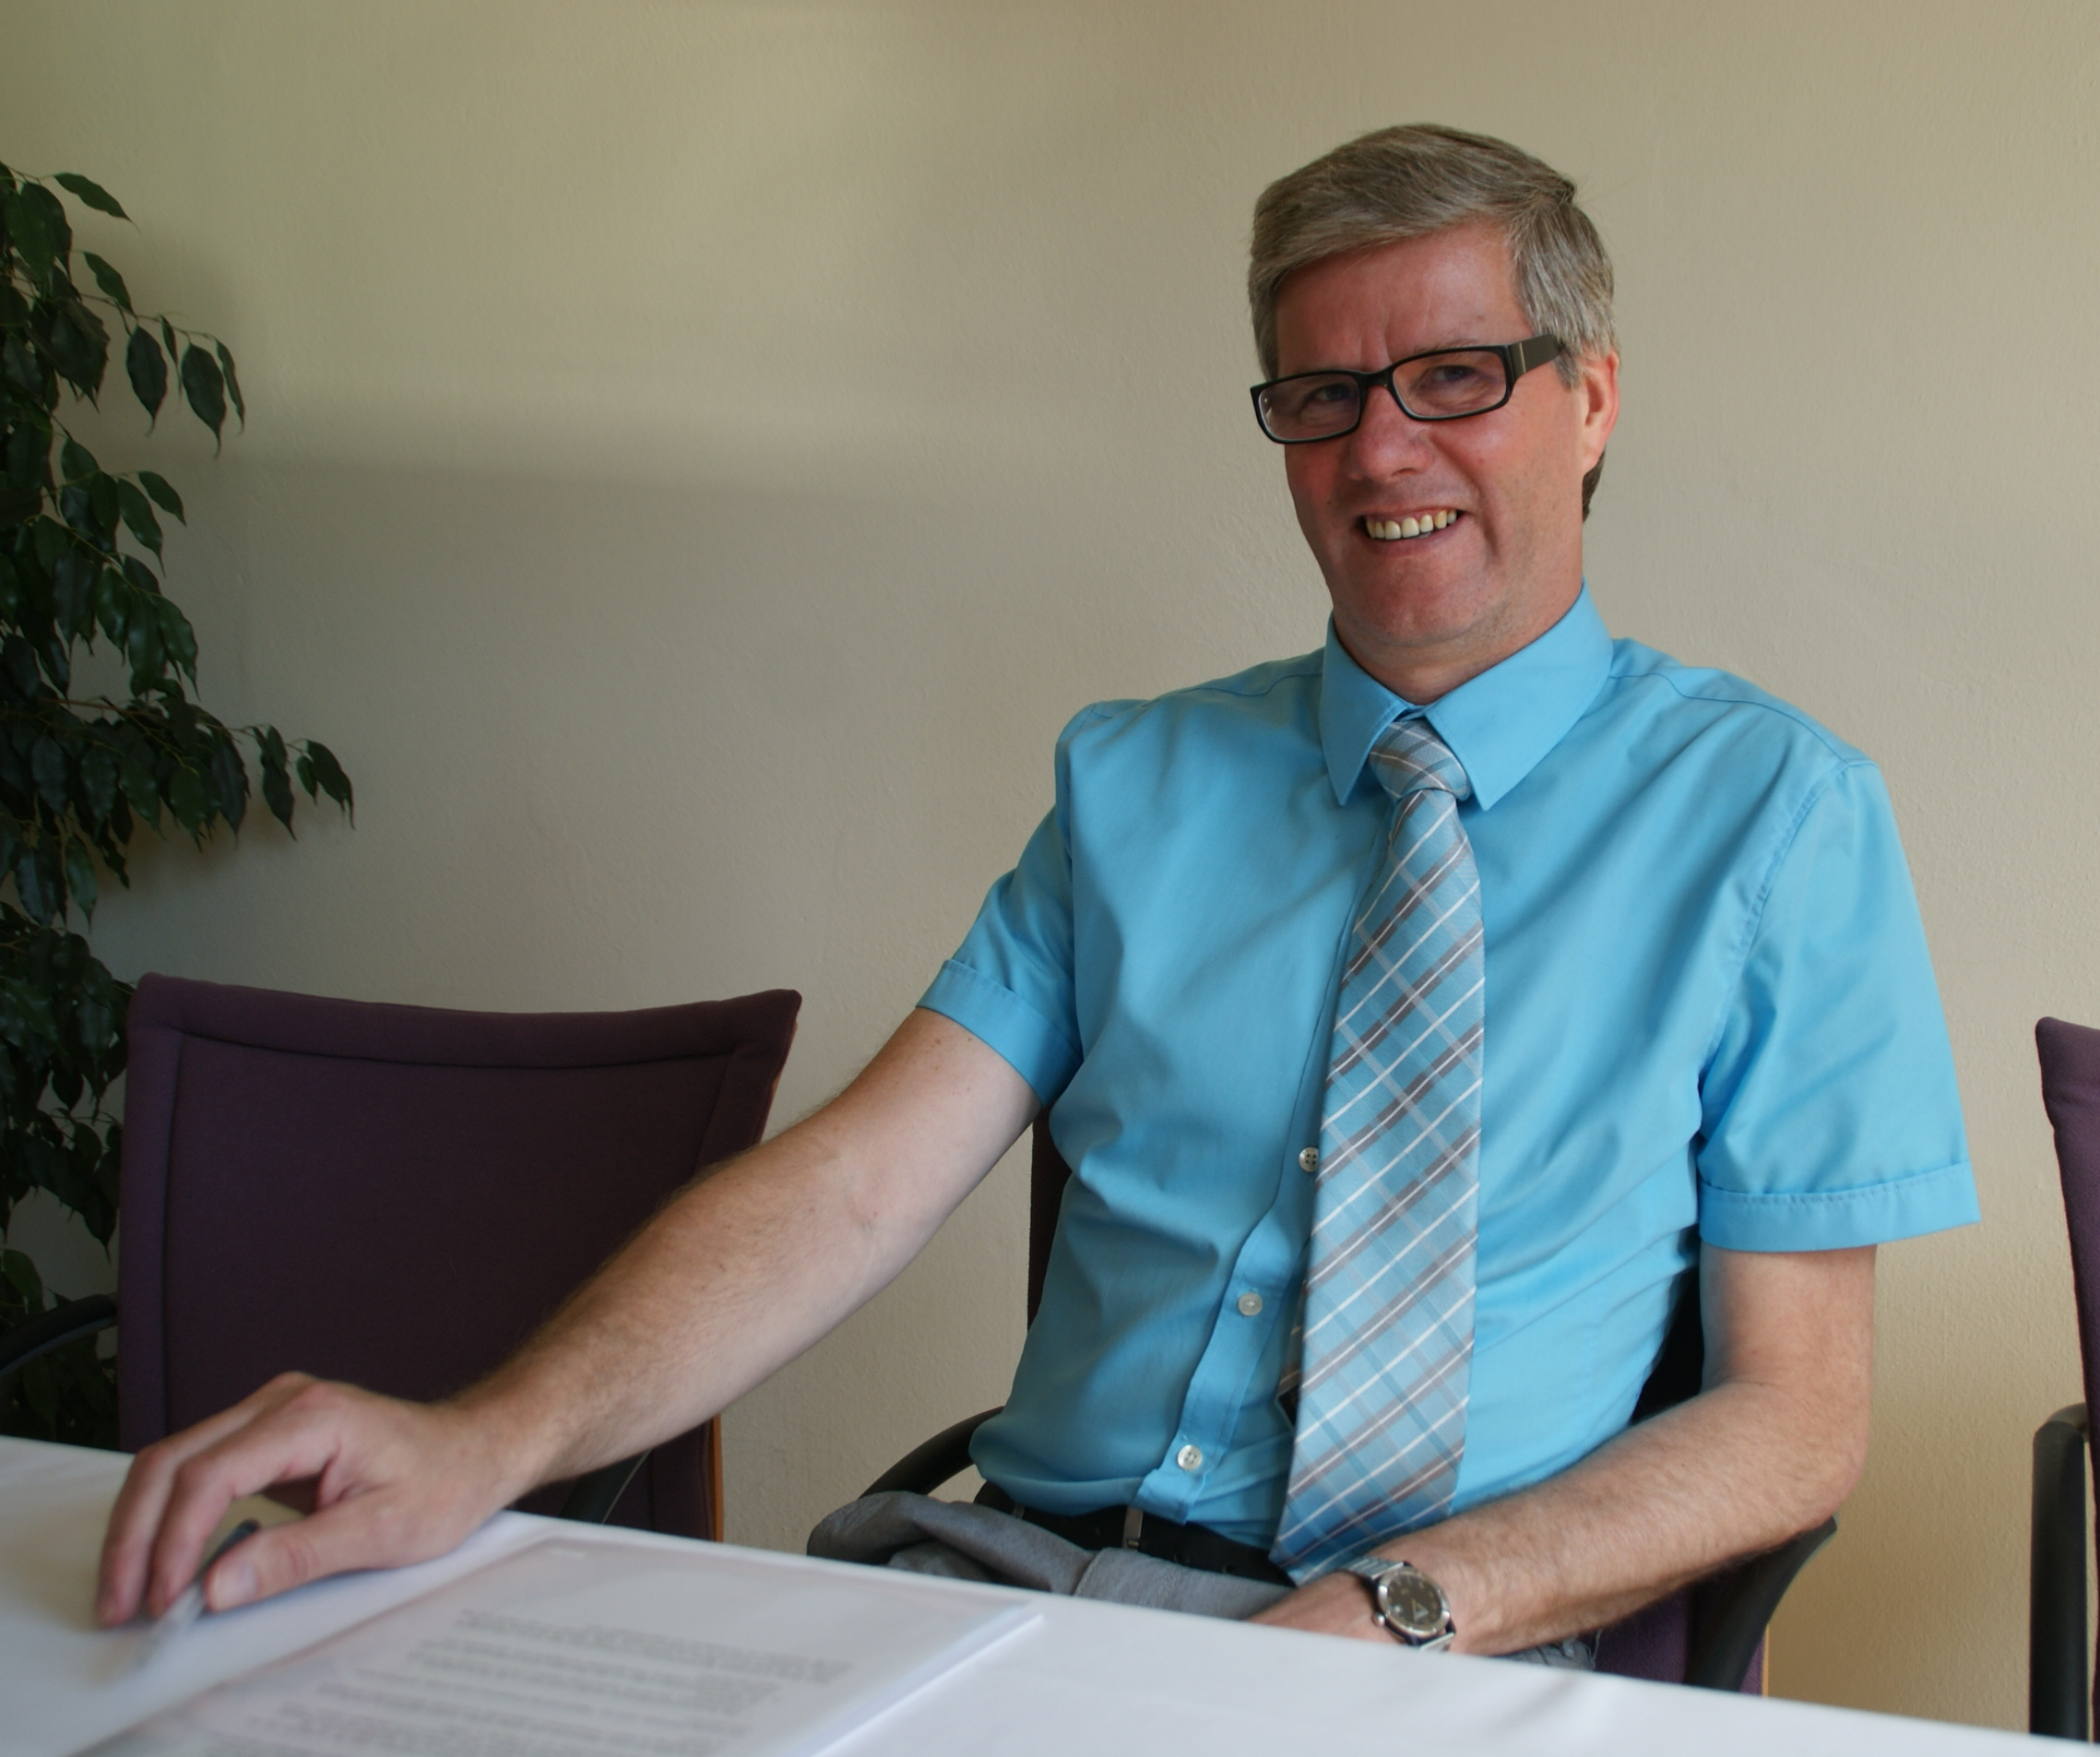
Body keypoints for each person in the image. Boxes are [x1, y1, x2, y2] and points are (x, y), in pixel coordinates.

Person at [95, 125, 1976, 1663]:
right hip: (1005, 1591)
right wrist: (477, 1439)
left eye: (1454, 378)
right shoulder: (1135, 781)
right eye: (1322, 393)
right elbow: (855, 1185)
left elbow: (1795, 1415)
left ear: (1592, 401)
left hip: (1431, 1640)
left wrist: (1388, 1613)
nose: (1381, 448)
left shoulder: (1776, 817)